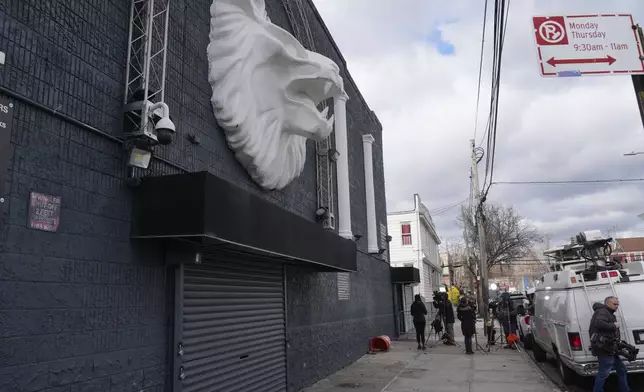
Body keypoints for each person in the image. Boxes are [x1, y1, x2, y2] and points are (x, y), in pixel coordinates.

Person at [590, 296, 631, 392]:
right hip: (604, 349)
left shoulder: (609, 313)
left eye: (618, 304)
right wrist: (614, 325)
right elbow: (599, 323)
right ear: (607, 303)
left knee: (621, 369)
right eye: (615, 304)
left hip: (611, 348)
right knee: (604, 373)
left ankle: (625, 389)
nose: (617, 306)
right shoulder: (602, 311)